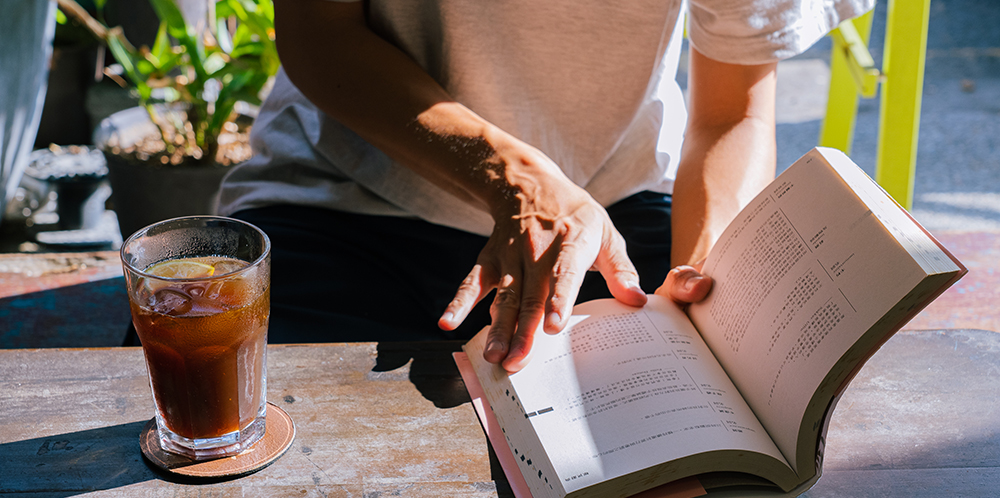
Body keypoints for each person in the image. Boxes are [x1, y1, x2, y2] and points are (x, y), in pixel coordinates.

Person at [219, 0, 873, 371]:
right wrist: (520, 180)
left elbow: (733, 113)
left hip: (609, 220)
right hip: (348, 192)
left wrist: (698, 281)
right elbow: (318, 34)